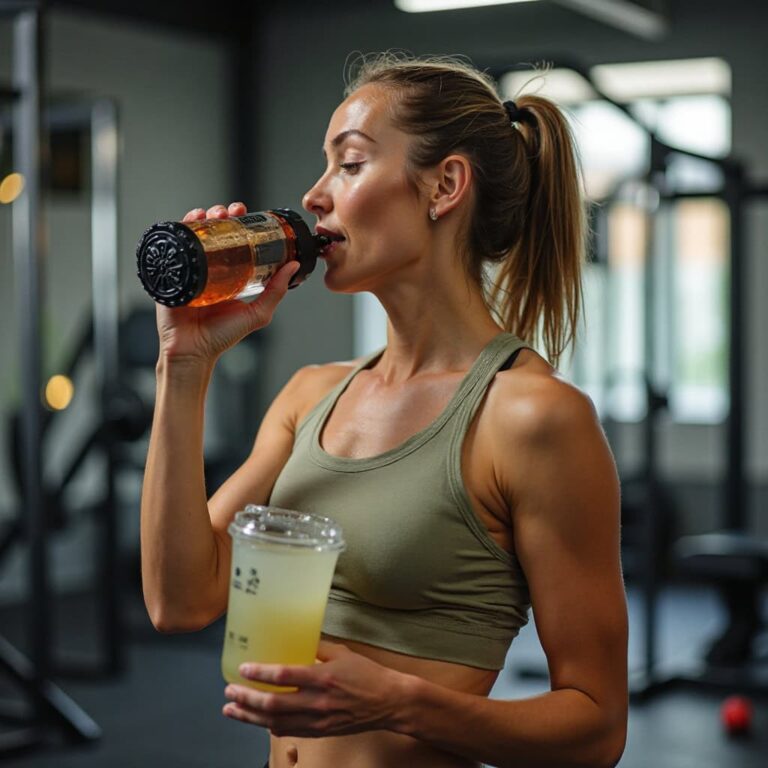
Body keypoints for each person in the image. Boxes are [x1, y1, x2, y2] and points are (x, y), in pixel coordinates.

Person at [141, 53, 628, 768]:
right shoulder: (311, 394)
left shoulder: (532, 417)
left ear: (445, 185)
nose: (314, 195)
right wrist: (182, 366)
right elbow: (179, 601)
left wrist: (399, 703)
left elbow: (597, 728)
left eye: (349, 163)